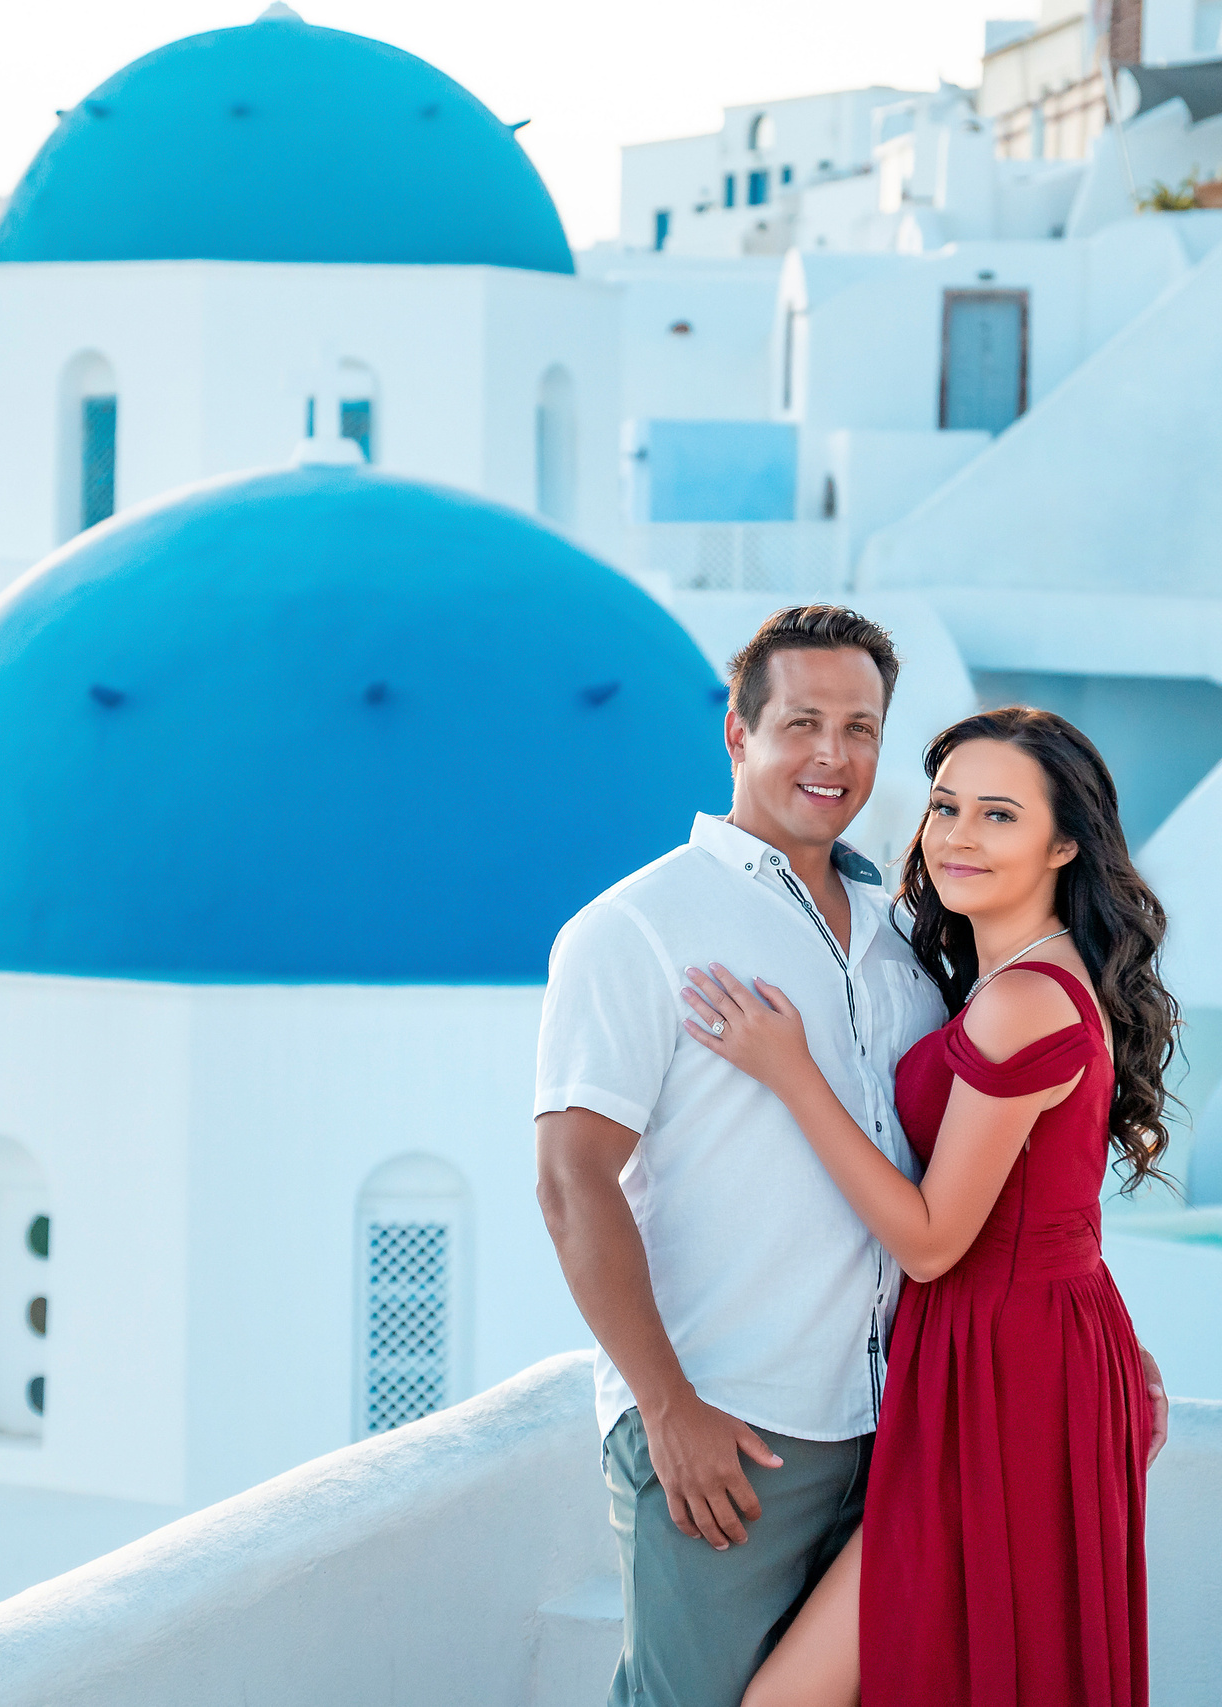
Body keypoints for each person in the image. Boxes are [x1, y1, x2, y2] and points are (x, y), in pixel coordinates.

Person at [681, 705, 1175, 1707]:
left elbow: (931, 1242)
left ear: (1063, 842)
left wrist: (791, 1074)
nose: (955, 835)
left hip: (1007, 1365)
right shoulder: (1013, 977)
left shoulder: (1020, 1000)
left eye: (998, 815)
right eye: (945, 805)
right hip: (1021, 1348)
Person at [535, 605, 949, 1707]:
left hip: (893, 1426)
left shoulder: (902, 936)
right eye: (803, 722)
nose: (833, 755)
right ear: (737, 732)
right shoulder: (637, 929)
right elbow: (572, 1180)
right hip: (731, 1431)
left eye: (860, 728)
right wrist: (666, 1408)